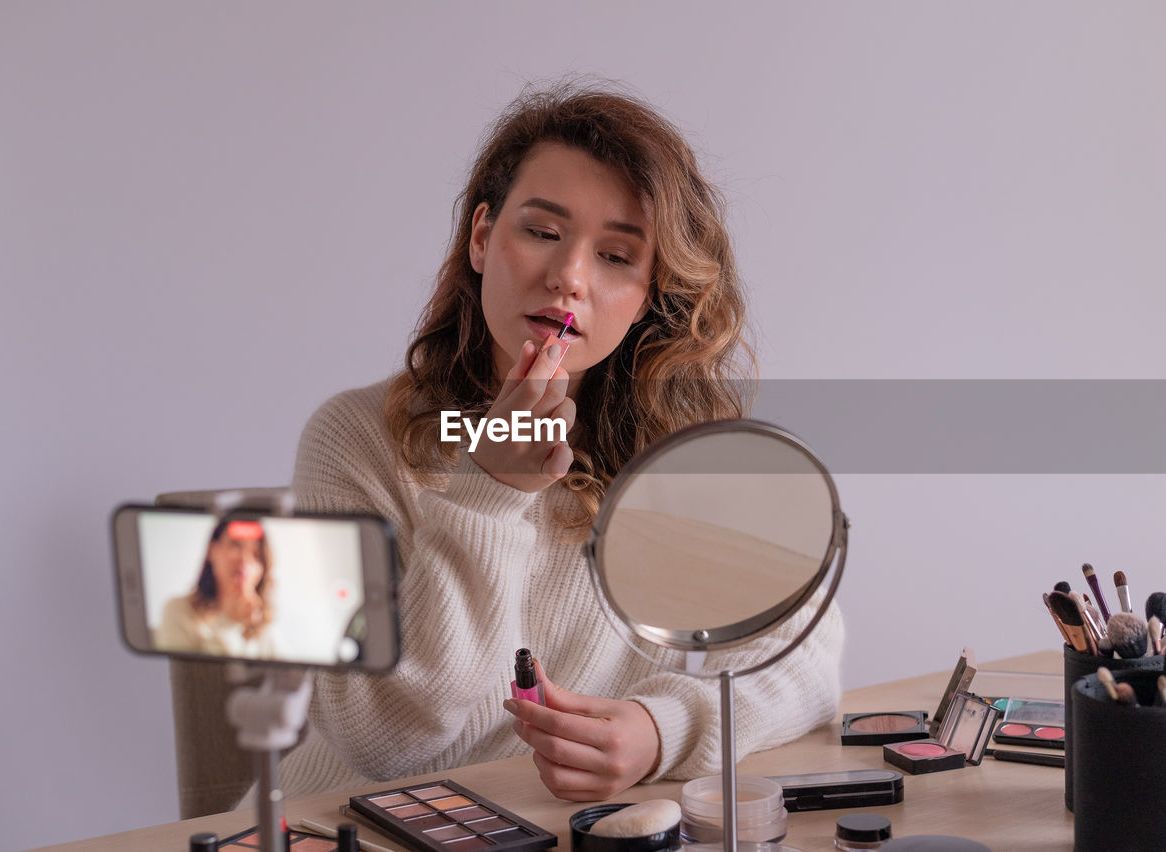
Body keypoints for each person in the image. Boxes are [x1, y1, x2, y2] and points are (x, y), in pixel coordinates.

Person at [272, 82, 844, 801]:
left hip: (559, 825)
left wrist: (658, 730)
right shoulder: (355, 439)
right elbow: (385, 740)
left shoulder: (684, 452)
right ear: (483, 237)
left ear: (648, 295)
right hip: (348, 821)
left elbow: (806, 663)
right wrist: (489, 493)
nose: (569, 277)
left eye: (615, 256)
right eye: (542, 232)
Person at [155, 518, 277, 658]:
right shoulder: (179, 610)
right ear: (212, 551)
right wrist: (233, 620)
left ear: (263, 569)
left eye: (256, 555)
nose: (245, 560)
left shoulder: (264, 628)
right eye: (235, 545)